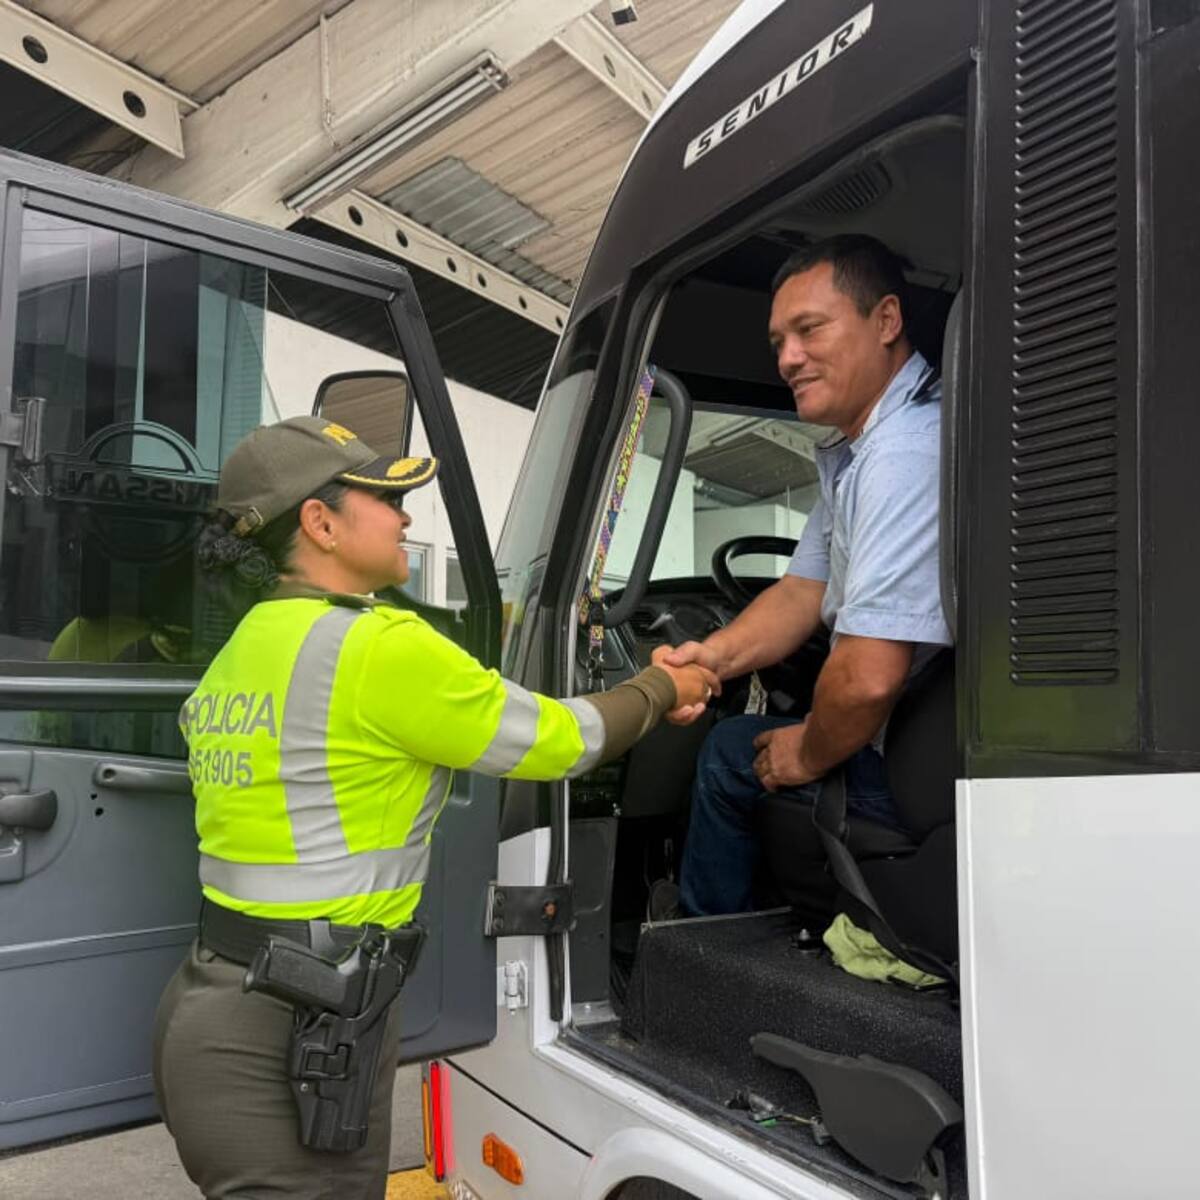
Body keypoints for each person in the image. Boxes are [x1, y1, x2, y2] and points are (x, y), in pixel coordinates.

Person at [153, 414, 715, 1199]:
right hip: (295, 1036)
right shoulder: (377, 646)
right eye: (384, 499)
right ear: (321, 522)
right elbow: (562, 739)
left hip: (217, 1007)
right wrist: (663, 688)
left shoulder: (248, 643)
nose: (405, 516)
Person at [653, 235, 952, 918]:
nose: (788, 358)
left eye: (809, 330)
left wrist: (808, 755)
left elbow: (869, 674)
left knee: (733, 753)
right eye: (778, 340)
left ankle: (701, 949)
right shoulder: (861, 452)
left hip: (911, 767)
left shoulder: (901, 455)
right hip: (913, 737)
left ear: (885, 320)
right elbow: (802, 592)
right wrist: (714, 657)